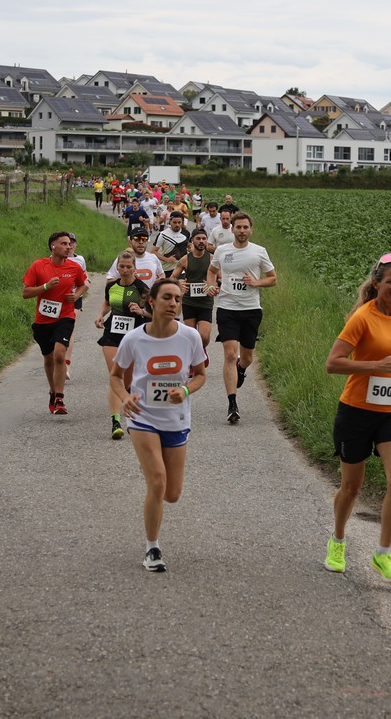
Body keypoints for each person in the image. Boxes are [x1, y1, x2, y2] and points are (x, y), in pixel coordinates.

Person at [322, 252, 391, 583]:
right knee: (351, 487)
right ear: (378, 284)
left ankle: (383, 553)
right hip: (356, 411)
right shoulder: (362, 318)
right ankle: (338, 540)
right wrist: (375, 366)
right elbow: (333, 363)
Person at [110, 279, 207, 573]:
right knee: (157, 482)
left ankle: (157, 503)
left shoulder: (190, 337)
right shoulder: (134, 339)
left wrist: (186, 390)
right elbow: (116, 375)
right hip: (143, 417)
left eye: (177, 299)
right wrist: (125, 398)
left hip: (176, 419)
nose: (173, 304)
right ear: (151, 301)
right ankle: (152, 548)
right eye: (167, 297)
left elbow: (201, 374)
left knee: (172, 493)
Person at [204, 212, 277, 424]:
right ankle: (232, 404)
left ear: (251, 230)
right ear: (232, 229)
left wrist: (256, 283)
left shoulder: (259, 251)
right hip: (227, 308)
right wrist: (210, 286)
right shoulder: (222, 250)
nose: (242, 231)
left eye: (246, 227)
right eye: (239, 227)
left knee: (246, 358)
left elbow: (273, 279)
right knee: (229, 354)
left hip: (251, 309)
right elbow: (212, 271)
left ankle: (241, 369)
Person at [22, 231, 89, 415]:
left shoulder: (74, 267)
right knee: (49, 358)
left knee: (60, 354)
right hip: (43, 320)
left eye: (70, 244)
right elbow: (26, 293)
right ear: (53, 246)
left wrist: (76, 295)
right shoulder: (39, 265)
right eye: (64, 244)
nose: (69, 247)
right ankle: (53, 392)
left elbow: (83, 284)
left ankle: (59, 398)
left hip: (65, 317)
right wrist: (46, 287)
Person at [95, 250, 151, 439]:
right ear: (117, 267)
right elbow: (107, 303)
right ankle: (115, 421)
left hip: (134, 336)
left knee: (127, 381)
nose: (125, 270)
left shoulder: (142, 289)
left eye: (128, 267)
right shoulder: (111, 286)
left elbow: (154, 313)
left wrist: (141, 312)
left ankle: (128, 397)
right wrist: (100, 315)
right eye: (122, 266)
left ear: (135, 268)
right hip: (112, 333)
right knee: (115, 375)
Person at [171, 227, 214, 354]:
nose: (201, 241)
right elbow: (172, 277)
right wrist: (178, 283)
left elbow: (220, 278)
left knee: (204, 337)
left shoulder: (212, 259)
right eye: (198, 238)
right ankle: (194, 360)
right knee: (190, 337)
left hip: (206, 302)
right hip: (189, 302)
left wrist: (214, 285)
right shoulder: (185, 259)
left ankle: (201, 351)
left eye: (204, 239)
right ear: (192, 241)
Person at [63, 233, 90, 382]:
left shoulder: (80, 259)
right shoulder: (54, 259)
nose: (70, 245)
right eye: (67, 243)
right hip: (59, 299)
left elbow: (85, 276)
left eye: (72, 242)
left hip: (75, 298)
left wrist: (86, 282)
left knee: (70, 328)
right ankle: (57, 360)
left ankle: (66, 364)